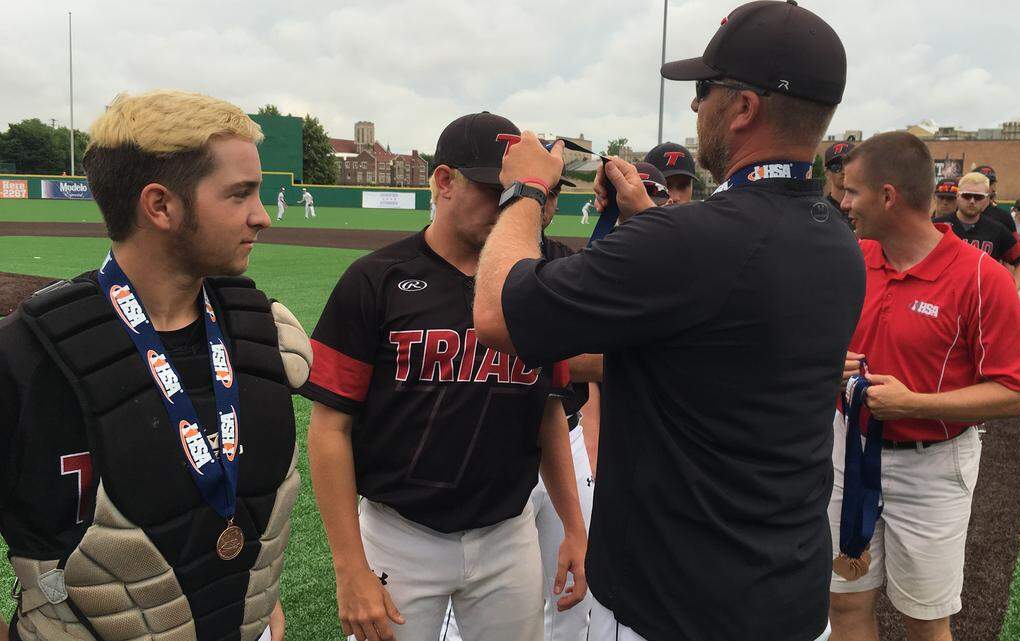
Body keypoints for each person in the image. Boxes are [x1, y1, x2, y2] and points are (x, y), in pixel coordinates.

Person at [472, 3, 863, 640]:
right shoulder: (835, 238)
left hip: (674, 606)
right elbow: (699, 353)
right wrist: (644, 224)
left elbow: (498, 314)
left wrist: (525, 192)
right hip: (785, 596)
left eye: (704, 90)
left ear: (743, 110)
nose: (693, 108)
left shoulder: (691, 241)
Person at [0, 90, 313, 641]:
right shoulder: (25, 357)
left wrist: (258, 604)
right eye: (239, 194)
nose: (261, 217)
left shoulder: (264, 332)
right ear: (161, 206)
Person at [303, 111, 588, 641]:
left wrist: (572, 526)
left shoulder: (538, 281)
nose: (506, 206)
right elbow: (329, 428)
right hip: (400, 534)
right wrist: (349, 567)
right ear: (443, 181)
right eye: (489, 189)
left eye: (514, 193)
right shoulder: (376, 279)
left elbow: (550, 405)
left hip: (508, 533)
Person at [830, 132, 1020, 641]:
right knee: (843, 600)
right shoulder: (852, 259)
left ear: (887, 196)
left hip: (933, 467)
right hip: (847, 453)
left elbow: (1017, 392)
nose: (843, 201)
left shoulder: (983, 278)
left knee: (925, 619)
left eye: (852, 191)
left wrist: (913, 403)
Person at [441, 174, 597, 641]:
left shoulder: (568, 261)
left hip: (560, 432)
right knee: (474, 590)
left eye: (552, 193)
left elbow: (610, 353)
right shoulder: (469, 262)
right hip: (489, 436)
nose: (546, 203)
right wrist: (548, 344)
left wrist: (540, 346)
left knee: (570, 586)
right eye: (538, 190)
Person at [933, 172, 1020, 288]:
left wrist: (1011, 290)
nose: (972, 201)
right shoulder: (937, 226)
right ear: (958, 196)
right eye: (967, 195)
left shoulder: (997, 230)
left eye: (978, 197)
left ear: (986, 199)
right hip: (944, 294)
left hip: (981, 297)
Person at [973, 164, 1015, 233]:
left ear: (994, 187)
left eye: (989, 183)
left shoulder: (1004, 217)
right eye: (980, 182)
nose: (985, 186)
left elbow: (1015, 243)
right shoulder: (960, 214)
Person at [824, 141, 855, 228]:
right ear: (827, 174)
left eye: (849, 165)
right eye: (836, 167)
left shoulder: (867, 211)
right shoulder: (820, 212)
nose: (843, 171)